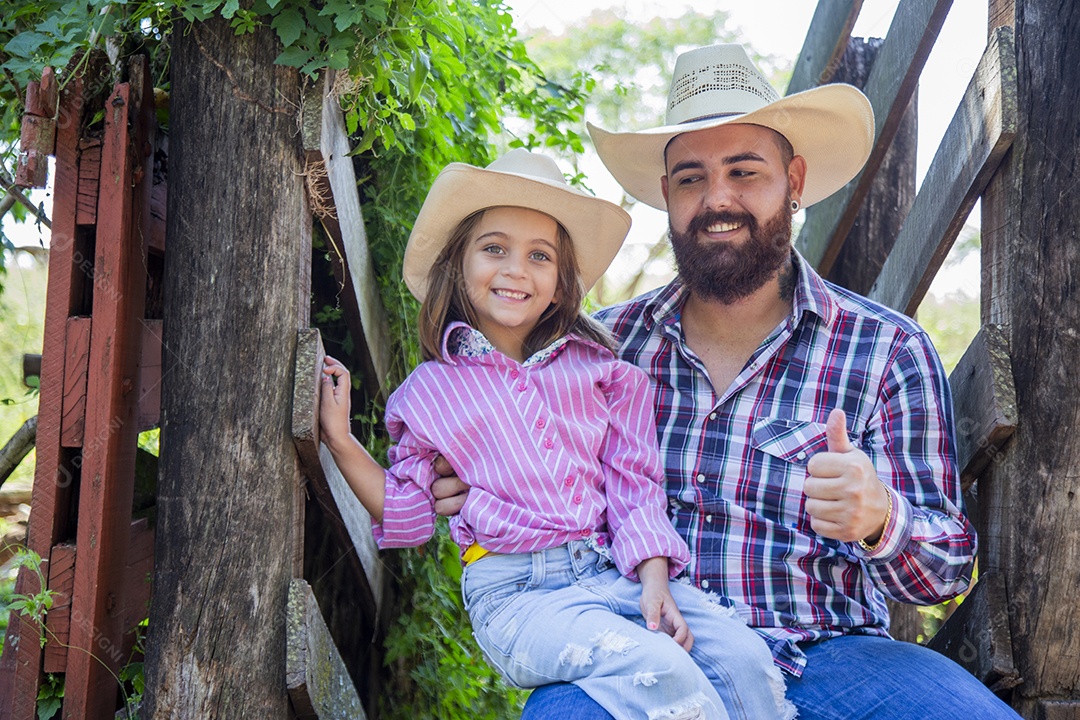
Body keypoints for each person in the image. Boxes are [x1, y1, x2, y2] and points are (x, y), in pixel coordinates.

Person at [431, 46, 1022, 719]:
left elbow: (945, 573)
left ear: (793, 180)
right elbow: (515, 462)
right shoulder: (595, 350)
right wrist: (476, 478)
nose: (717, 199)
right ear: (666, 194)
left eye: (744, 171)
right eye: (692, 178)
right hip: (639, 647)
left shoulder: (886, 349)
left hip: (833, 657)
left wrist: (880, 518)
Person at [318, 148, 796, 720]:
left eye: (539, 256)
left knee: (742, 657)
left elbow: (634, 488)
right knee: (660, 667)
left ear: (560, 283)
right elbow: (409, 512)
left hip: (611, 573)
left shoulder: (603, 374)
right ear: (458, 265)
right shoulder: (429, 393)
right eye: (494, 248)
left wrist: (654, 582)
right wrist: (340, 440)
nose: (516, 269)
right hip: (517, 597)